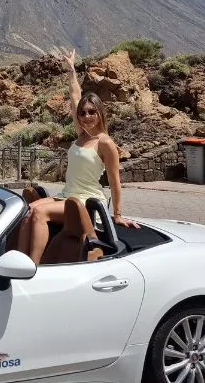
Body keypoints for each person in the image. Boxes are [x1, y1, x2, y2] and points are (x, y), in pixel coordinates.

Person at [17, 49, 138, 264]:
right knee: (28, 209)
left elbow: (114, 181)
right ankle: (18, 260)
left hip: (84, 201)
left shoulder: (105, 143)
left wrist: (117, 214)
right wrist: (72, 71)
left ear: (100, 113)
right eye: (83, 113)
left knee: (38, 214)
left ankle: (31, 267)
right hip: (67, 194)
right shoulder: (82, 134)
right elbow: (75, 98)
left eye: (92, 111)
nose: (86, 116)